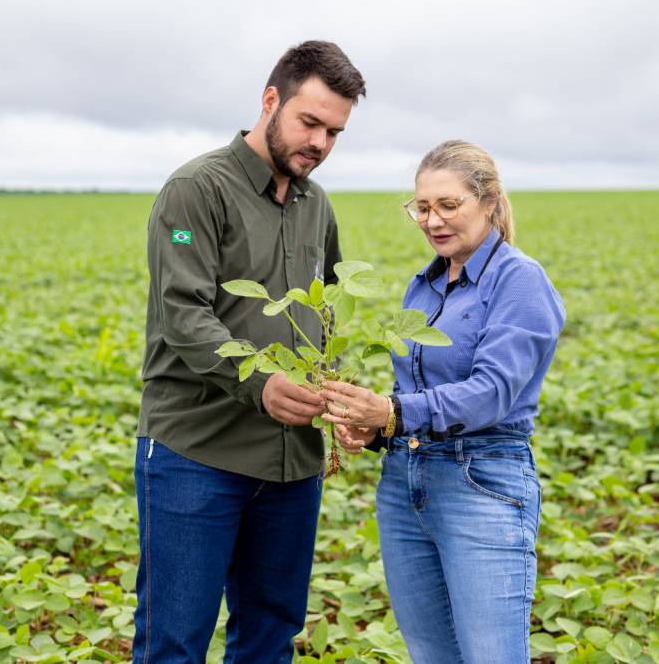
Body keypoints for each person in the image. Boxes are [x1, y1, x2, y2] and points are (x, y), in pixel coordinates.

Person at [134, 41, 365, 663]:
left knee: (270, 638)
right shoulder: (196, 189)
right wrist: (261, 382)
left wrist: (339, 394)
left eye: (334, 132)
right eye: (309, 122)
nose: (319, 142)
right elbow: (183, 315)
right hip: (197, 453)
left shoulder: (317, 205)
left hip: (291, 463)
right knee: (174, 643)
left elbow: (324, 312)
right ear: (270, 101)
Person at [320, 140, 565, 663]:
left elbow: (492, 392)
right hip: (403, 485)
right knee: (432, 654)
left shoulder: (519, 281)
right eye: (422, 207)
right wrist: (378, 428)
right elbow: (416, 392)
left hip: (480, 483)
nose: (432, 221)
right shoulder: (425, 285)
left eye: (449, 205)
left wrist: (393, 412)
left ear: (489, 202)